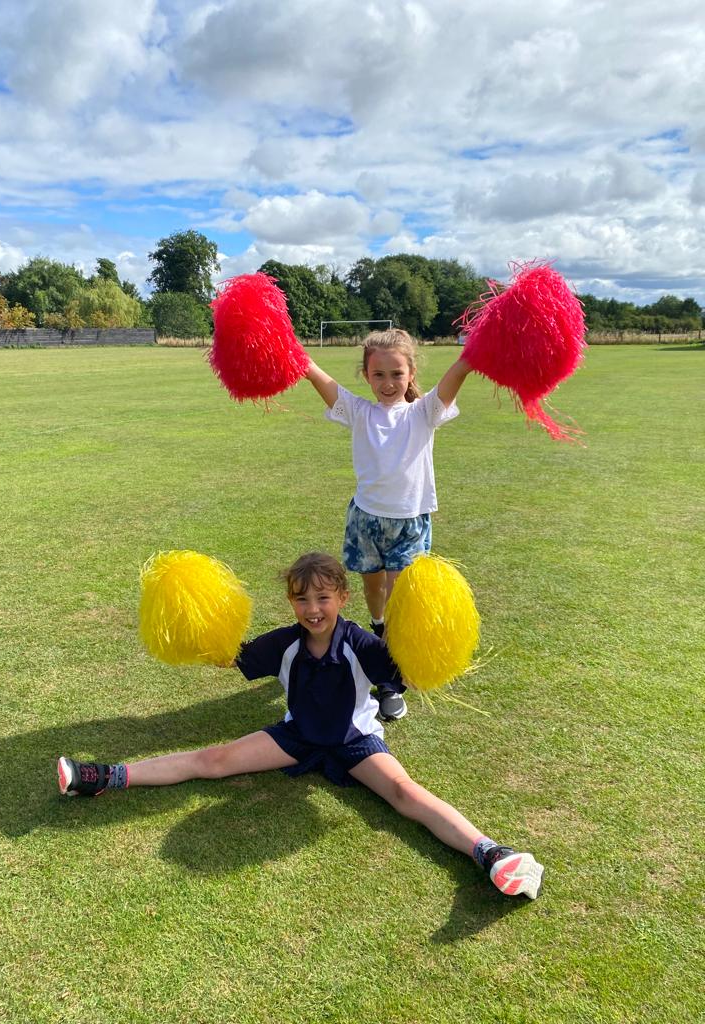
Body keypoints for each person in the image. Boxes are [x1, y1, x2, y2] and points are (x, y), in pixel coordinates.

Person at [57, 552, 543, 900]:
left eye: (323, 597)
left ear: (343, 596)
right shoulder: (285, 643)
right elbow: (236, 658)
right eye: (301, 599)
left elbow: (407, 672)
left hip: (356, 742)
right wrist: (203, 635)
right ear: (291, 602)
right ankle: (105, 776)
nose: (312, 609)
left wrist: (425, 653)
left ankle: (492, 854)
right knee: (213, 760)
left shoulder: (360, 644)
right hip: (296, 737)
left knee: (404, 794)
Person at [304, 329, 473, 721]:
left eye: (396, 373)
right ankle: (377, 630)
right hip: (365, 519)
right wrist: (291, 355)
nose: (388, 383)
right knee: (373, 590)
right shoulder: (360, 412)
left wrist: (471, 358)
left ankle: (390, 682)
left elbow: (457, 374)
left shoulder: (423, 413)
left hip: (409, 523)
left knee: (401, 598)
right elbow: (317, 376)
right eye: (378, 374)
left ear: (411, 372)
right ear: (365, 375)